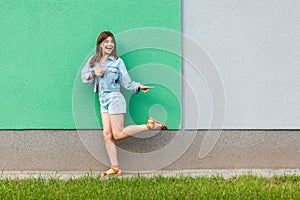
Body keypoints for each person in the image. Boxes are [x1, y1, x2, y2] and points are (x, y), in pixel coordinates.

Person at [81, 31, 167, 177]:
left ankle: (148, 125)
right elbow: (84, 77)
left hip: (115, 98)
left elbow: (126, 81)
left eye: (111, 42)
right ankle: (115, 168)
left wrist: (138, 86)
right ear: (100, 44)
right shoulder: (93, 61)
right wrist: (96, 73)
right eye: (106, 42)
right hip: (103, 100)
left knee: (118, 134)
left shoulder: (117, 62)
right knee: (107, 134)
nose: (109, 44)